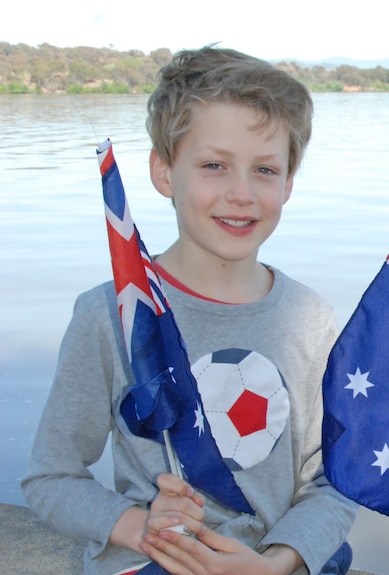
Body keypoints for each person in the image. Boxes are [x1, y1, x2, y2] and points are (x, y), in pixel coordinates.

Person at [21, 47, 357, 575]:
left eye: (265, 169)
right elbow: (50, 477)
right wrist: (139, 526)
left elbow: (335, 482)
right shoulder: (107, 315)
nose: (241, 194)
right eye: (213, 165)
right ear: (163, 171)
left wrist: (275, 563)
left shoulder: (310, 319)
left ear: (289, 183)